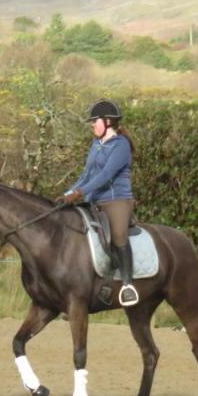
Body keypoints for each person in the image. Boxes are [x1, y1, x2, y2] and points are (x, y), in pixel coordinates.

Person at [58, 98, 139, 306]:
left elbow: (106, 175)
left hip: (116, 200)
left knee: (118, 236)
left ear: (108, 122)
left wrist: (79, 193)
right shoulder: (96, 144)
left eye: (95, 121)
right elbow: (86, 174)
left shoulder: (121, 145)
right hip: (93, 201)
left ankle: (128, 285)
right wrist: (67, 194)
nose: (92, 125)